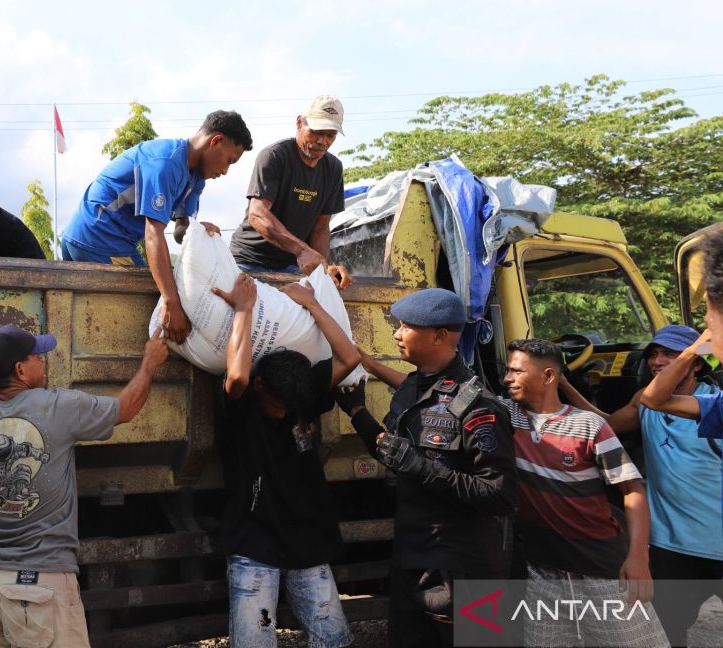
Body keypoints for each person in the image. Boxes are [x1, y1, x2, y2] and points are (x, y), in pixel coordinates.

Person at [0, 250, 167, 648]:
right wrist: (149, 364)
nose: (43, 361)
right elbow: (125, 409)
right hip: (41, 589)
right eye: (37, 356)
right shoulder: (57, 408)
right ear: (20, 370)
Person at [209, 274, 362, 648]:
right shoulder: (242, 407)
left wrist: (311, 304)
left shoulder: (298, 394)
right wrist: (243, 309)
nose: (283, 414)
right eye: (277, 407)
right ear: (261, 388)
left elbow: (350, 357)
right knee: (255, 643)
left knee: (335, 639)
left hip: (306, 537)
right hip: (254, 540)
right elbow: (238, 375)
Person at [559, 325, 721, 647]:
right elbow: (604, 424)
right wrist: (562, 383)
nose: (657, 361)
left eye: (669, 354)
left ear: (696, 362)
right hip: (670, 546)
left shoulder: (714, 404)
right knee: (664, 633)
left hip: (718, 544)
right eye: (654, 355)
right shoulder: (644, 402)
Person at [373, 288, 516, 648]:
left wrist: (419, 467)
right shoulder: (412, 389)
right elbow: (394, 455)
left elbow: (497, 494)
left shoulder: (478, 405)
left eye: (406, 327)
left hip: (464, 566)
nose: (396, 334)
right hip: (411, 559)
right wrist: (357, 413)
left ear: (439, 336)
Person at [503, 339, 668, 647]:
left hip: (603, 569)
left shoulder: (590, 427)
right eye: (507, 370)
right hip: (544, 571)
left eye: (516, 371)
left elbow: (632, 490)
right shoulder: (508, 416)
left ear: (549, 376)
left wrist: (638, 558)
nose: (507, 379)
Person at [60, 110, 253, 344]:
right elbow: (154, 235)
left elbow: (181, 230)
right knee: (156, 305)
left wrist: (198, 231)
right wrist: (172, 303)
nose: (224, 171)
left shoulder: (196, 179)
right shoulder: (165, 163)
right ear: (216, 141)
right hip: (98, 240)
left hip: (101, 241)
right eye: (229, 161)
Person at [230, 95, 352, 287]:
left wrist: (321, 267)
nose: (322, 141)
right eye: (316, 132)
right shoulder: (274, 156)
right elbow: (257, 214)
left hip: (291, 265)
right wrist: (302, 251)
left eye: (330, 136)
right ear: (299, 123)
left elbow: (321, 227)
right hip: (249, 260)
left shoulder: (333, 169)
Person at [640, 230, 723, 439]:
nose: (706, 321)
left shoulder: (713, 397)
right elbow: (653, 400)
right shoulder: (718, 405)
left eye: (709, 314)